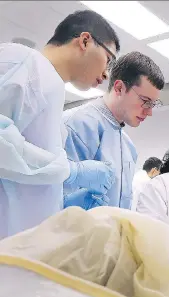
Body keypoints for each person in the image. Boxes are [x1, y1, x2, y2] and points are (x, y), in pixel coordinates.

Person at [0, 10, 120, 239]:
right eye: (109, 60)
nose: (106, 75)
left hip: (20, 246)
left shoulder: (52, 87)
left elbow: (22, 179)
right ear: (85, 40)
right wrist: (71, 172)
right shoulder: (23, 61)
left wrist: (62, 201)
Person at [63, 51, 165, 210]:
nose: (149, 111)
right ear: (119, 88)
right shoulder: (77, 125)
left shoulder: (128, 146)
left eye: (153, 104)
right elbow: (49, 200)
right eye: (145, 101)